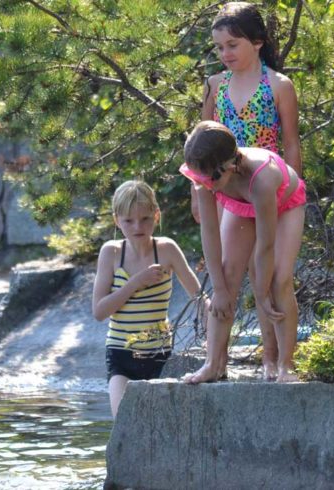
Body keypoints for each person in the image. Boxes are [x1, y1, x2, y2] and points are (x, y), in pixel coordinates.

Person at [181, 120, 305, 383]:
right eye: (199, 179)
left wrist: (261, 293)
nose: (205, 185)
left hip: (284, 204)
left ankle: (286, 365)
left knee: (278, 281)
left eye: (210, 179)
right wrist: (221, 289)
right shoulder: (205, 176)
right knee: (226, 278)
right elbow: (210, 234)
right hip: (241, 204)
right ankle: (213, 364)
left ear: (230, 165)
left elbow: (266, 244)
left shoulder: (262, 177)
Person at [92, 181, 203, 417]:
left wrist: (215, 319)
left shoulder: (166, 250)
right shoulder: (111, 253)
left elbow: (199, 296)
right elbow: (99, 311)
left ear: (156, 215)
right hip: (120, 354)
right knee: (124, 422)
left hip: (160, 355)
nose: (137, 226)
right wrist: (135, 282)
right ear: (116, 220)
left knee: (160, 426)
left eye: (145, 219)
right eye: (128, 220)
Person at [190, 1, 301, 222]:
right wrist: (196, 195)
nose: (225, 53)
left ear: (257, 42)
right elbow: (199, 146)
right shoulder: (215, 85)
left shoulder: (279, 85)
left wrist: (292, 193)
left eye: (232, 45)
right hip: (224, 187)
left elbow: (291, 143)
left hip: (264, 184)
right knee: (227, 257)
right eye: (220, 47)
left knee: (263, 253)